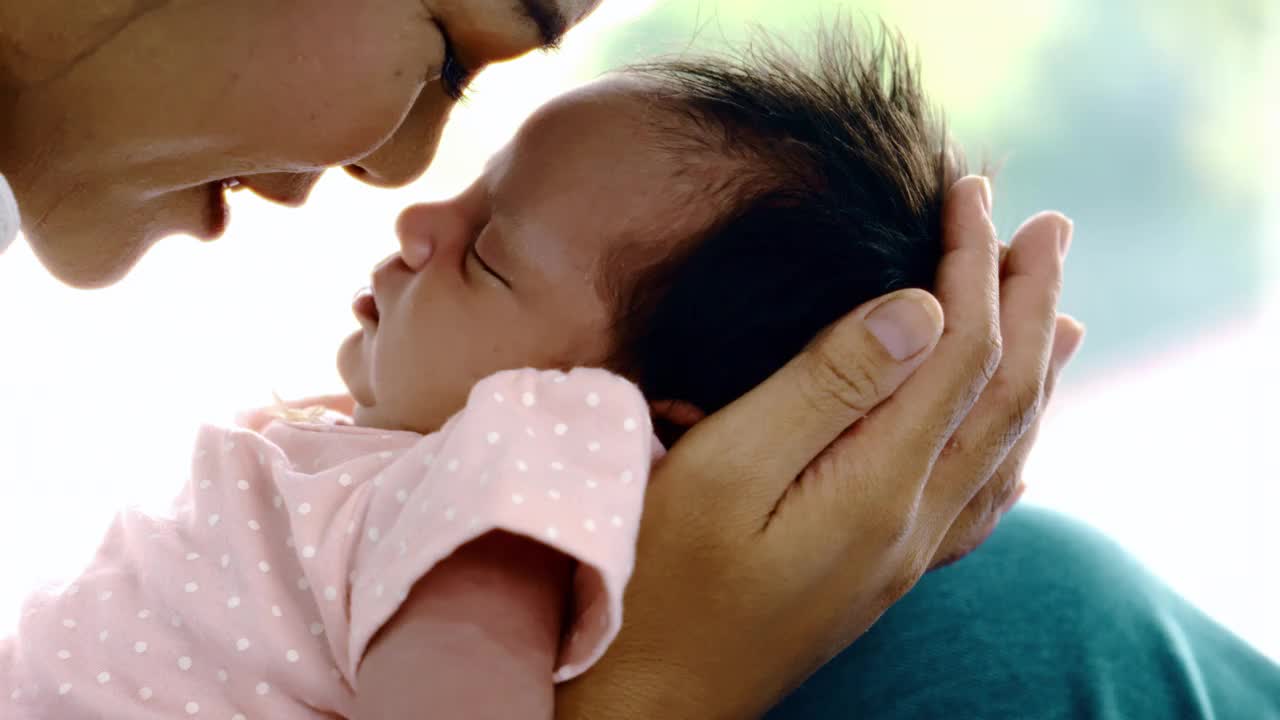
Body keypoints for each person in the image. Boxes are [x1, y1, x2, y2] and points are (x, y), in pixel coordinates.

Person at [3, 2, 1275, 718]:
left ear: (617, 418)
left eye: (492, 254)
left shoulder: (509, 466)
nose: (400, 186)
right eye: (448, 43)